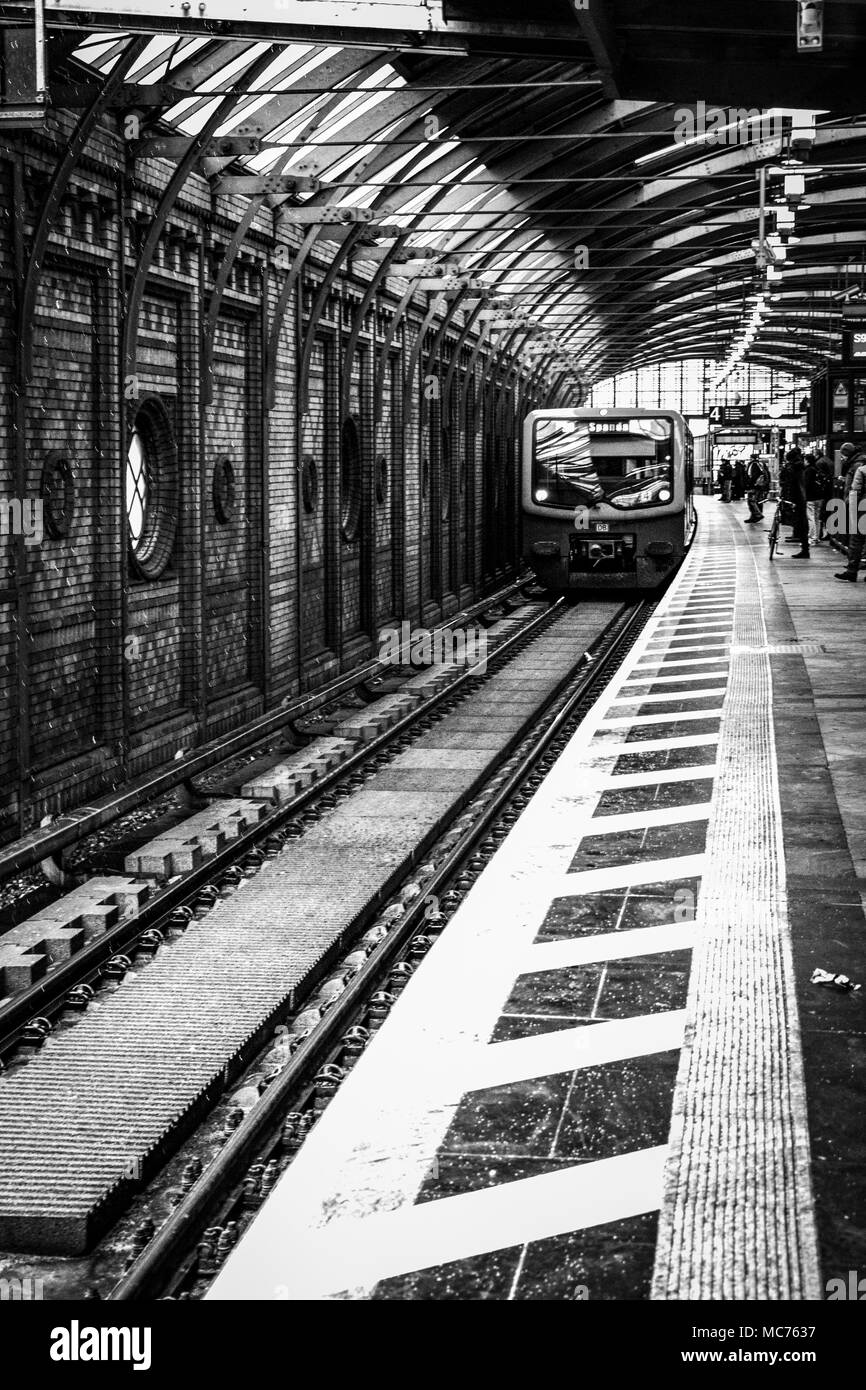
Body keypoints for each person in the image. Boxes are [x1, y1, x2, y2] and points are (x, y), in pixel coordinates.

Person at [835, 442, 866, 581]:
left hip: (860, 506)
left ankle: (852, 570)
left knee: (856, 539)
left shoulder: (859, 468)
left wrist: (850, 504)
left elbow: (855, 488)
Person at [785, 447, 810, 558]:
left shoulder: (795, 469)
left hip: (799, 500)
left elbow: (795, 486)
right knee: (802, 523)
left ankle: (805, 549)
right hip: (801, 499)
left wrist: (793, 499)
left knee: (801, 523)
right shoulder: (801, 467)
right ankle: (804, 548)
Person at [803, 452, 823, 546]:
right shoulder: (817, 469)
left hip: (810, 497)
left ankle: (812, 538)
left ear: (807, 461)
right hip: (819, 497)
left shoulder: (808, 470)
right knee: (817, 518)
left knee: (810, 518)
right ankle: (817, 537)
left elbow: (806, 484)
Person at [744, 454, 764, 523]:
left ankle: (758, 515)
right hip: (758, 485)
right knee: (756, 501)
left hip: (753, 486)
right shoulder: (760, 464)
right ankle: (753, 517)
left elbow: (753, 476)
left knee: (751, 501)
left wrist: (750, 484)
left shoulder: (754, 465)